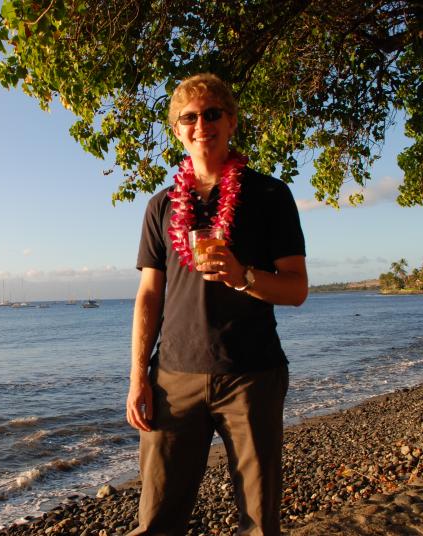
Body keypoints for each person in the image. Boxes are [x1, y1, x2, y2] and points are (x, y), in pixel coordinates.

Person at [126, 73, 308, 536]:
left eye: (211, 114)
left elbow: (297, 288)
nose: (200, 124)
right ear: (177, 129)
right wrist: (137, 378)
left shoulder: (269, 195)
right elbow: (150, 294)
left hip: (252, 377)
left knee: (258, 521)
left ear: (231, 121)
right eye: (189, 117)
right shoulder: (162, 205)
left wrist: (244, 276)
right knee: (157, 520)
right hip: (173, 379)